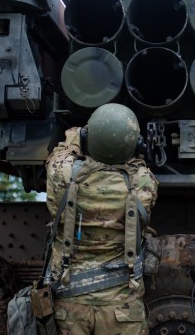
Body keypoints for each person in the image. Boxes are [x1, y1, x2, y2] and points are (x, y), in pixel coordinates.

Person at [45, 103, 159, 335]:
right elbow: (138, 164)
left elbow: (60, 153)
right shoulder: (143, 183)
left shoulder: (62, 175)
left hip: (70, 305)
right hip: (122, 308)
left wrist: (78, 136)